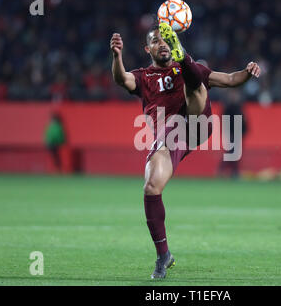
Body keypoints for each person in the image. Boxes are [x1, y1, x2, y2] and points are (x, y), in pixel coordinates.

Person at [110, 23, 260, 279]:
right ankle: (163, 256)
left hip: (197, 121)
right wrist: (117, 57)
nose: (162, 43)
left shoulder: (189, 70)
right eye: (156, 41)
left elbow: (231, 79)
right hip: (171, 137)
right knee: (151, 187)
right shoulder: (143, 76)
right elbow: (121, 79)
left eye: (167, 39)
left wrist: (248, 71)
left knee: (196, 84)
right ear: (148, 49)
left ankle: (185, 58)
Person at [217, 89, 248, 178]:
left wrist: (244, 132)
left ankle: (228, 171)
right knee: (232, 153)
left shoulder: (239, 107)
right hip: (232, 134)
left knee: (233, 153)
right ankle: (230, 171)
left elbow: (244, 121)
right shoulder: (229, 108)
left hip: (238, 134)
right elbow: (225, 121)